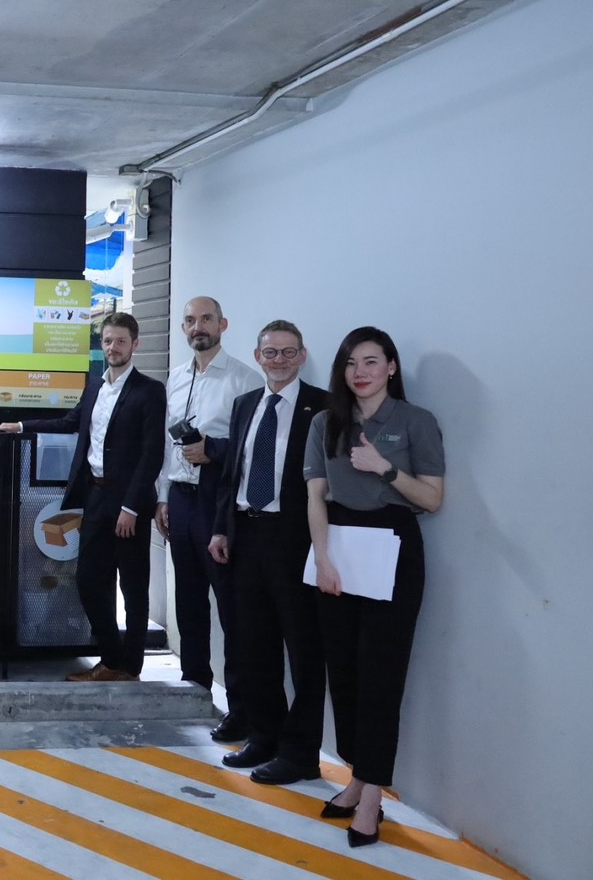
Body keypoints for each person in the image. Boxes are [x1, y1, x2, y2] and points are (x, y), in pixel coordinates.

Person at [305, 326, 445, 847]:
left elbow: (432, 499)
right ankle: (357, 776)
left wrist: (384, 468)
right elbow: (315, 497)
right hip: (337, 548)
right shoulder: (325, 422)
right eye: (350, 363)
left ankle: (370, 797)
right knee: (343, 673)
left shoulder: (415, 421)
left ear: (391, 367)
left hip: (393, 547)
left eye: (370, 361)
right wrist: (322, 558)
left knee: (381, 676)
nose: (359, 372)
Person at [0, 311, 166, 681]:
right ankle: (111, 659)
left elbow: (152, 454)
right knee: (88, 579)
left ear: (135, 345)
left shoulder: (150, 391)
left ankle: (130, 668)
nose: (113, 347)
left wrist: (131, 507)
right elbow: (69, 422)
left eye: (121, 341)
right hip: (95, 497)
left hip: (129, 505)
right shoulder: (95, 387)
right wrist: (21, 426)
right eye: (108, 341)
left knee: (133, 587)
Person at [208, 320, 329, 784]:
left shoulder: (323, 406)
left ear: (302, 356)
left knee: (303, 651)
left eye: (288, 352)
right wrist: (221, 529)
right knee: (253, 646)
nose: (279, 360)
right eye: (270, 352)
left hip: (296, 540)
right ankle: (264, 737)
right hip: (246, 535)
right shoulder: (245, 405)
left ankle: (301, 754)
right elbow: (231, 476)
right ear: (257, 357)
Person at [155, 296, 261, 738]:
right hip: (179, 500)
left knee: (232, 607)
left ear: (223, 324)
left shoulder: (244, 379)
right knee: (189, 600)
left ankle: (240, 708)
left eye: (206, 319)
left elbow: (252, 447)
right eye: (190, 320)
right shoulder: (176, 377)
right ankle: (194, 685)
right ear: (183, 328)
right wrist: (163, 497)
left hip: (218, 503)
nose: (198, 327)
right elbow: (169, 445)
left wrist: (212, 451)